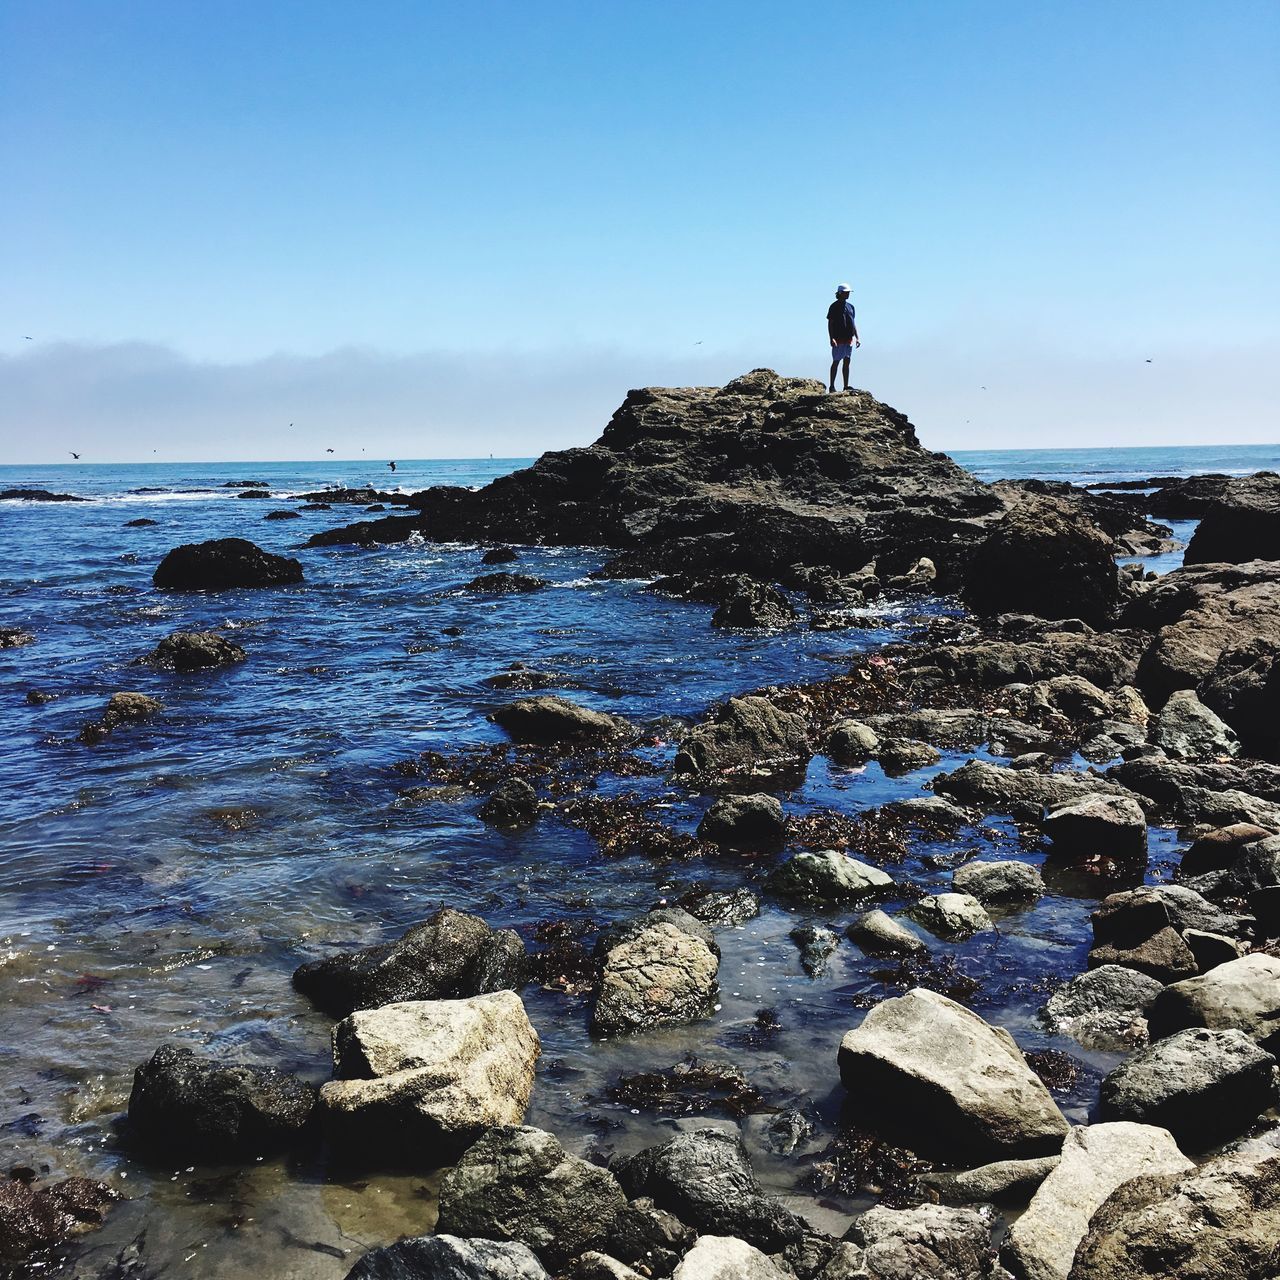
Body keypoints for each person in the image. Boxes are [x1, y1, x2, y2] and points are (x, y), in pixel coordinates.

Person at [826, 283, 860, 392]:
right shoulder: (834, 306)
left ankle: (846, 385)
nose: (848, 294)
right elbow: (830, 323)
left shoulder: (851, 307)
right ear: (840, 293)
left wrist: (857, 337)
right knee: (836, 361)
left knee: (847, 360)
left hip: (848, 337)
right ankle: (832, 386)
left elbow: (853, 322)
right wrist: (832, 338)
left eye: (848, 292)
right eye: (846, 293)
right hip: (838, 337)